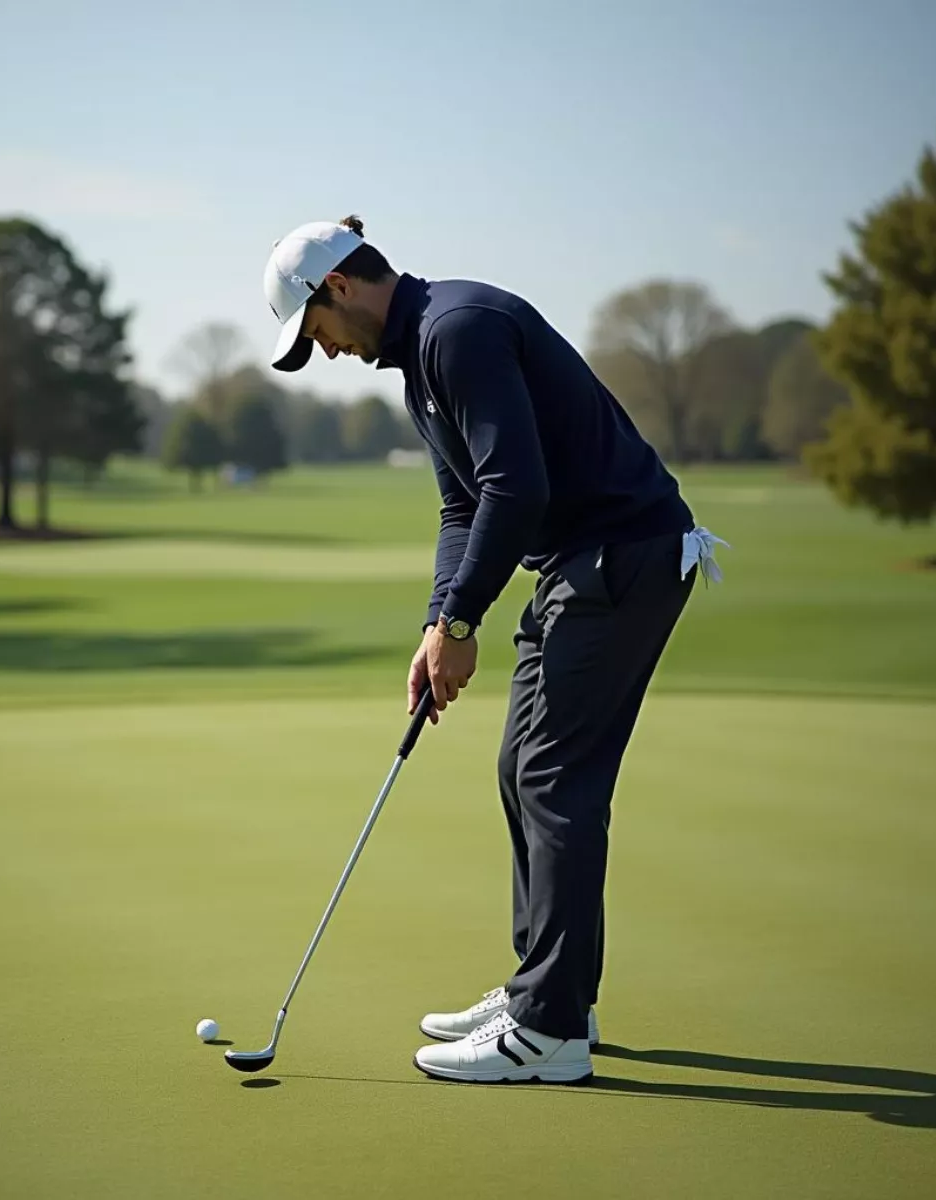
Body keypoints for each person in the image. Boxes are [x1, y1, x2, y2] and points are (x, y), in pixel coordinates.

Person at [262, 215, 726, 1085]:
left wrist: (464, 625)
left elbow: (518, 485)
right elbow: (463, 509)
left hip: (622, 557)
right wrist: (438, 622)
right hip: (582, 565)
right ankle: (546, 995)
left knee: (554, 779)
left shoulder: (458, 330)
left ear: (339, 289)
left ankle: (549, 1032)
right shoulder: (422, 367)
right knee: (525, 767)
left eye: (314, 331)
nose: (322, 352)